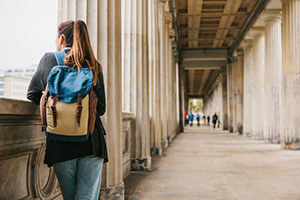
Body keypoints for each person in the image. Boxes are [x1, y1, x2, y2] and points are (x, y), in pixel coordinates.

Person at [27, 20, 108, 200]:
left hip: (60, 141)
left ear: (61, 38)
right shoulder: (94, 65)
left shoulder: (49, 59)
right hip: (91, 141)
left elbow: (32, 94)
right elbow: (100, 109)